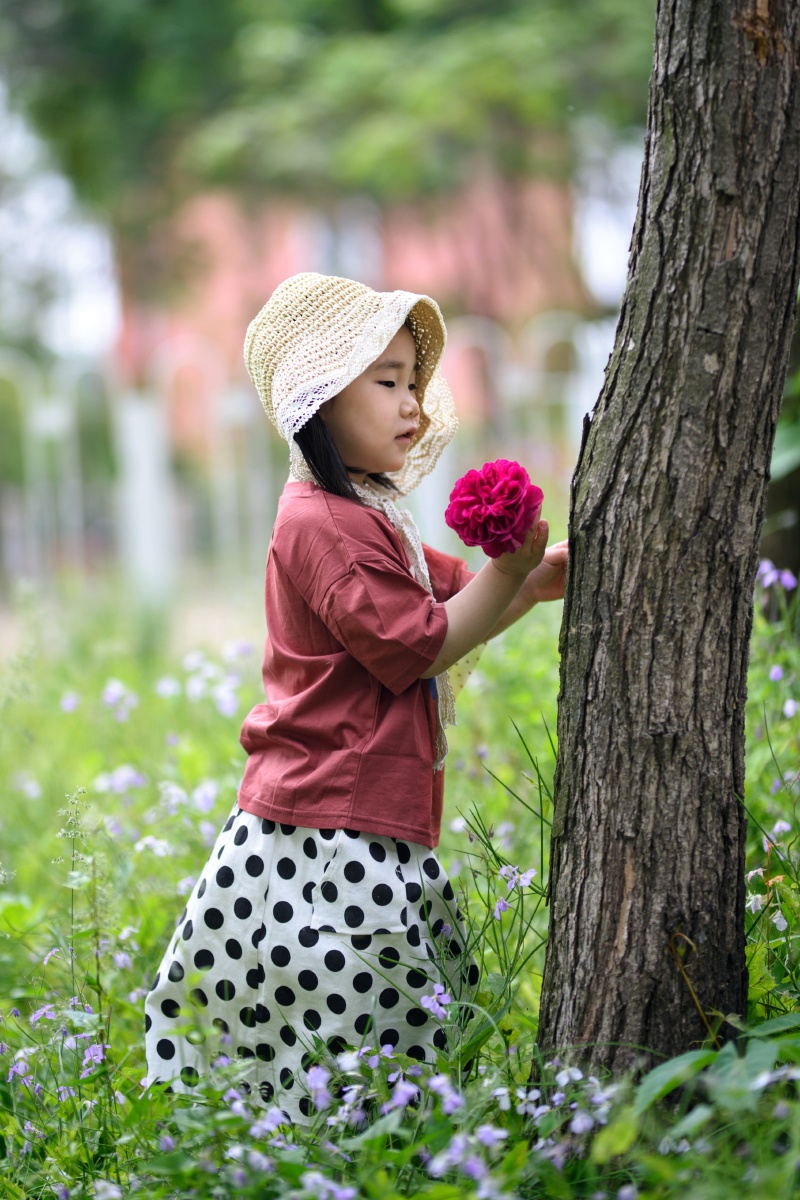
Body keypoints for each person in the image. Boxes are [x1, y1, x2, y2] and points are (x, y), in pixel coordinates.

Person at [144, 272, 568, 1124]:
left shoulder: (365, 513)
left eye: (414, 381)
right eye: (387, 381)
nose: (411, 402)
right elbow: (422, 644)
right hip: (323, 827)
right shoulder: (323, 525)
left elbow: (452, 607)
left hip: (356, 816)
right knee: (336, 997)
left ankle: (360, 1135)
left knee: (362, 1002)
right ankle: (328, 1145)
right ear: (321, 401)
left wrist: (526, 587)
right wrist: (509, 575)